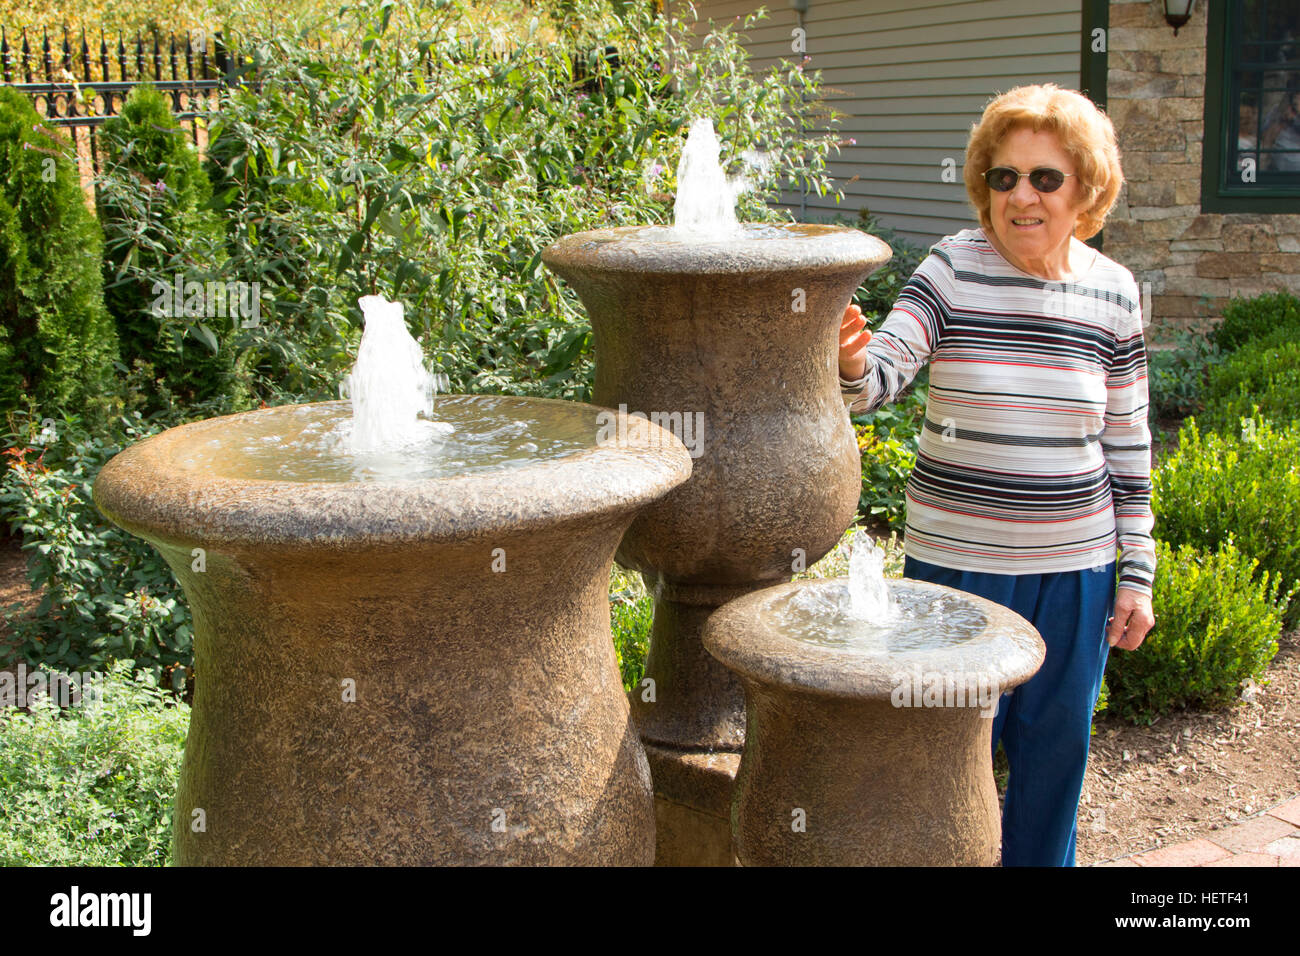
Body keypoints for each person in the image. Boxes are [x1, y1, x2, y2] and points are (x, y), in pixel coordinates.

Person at [837, 83, 1156, 867]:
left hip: (1072, 573)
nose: (1021, 196)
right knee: (944, 765)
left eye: (1044, 178)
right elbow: (882, 375)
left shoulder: (1113, 292)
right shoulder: (951, 269)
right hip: (955, 571)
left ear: (1084, 187)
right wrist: (849, 361)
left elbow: (1128, 443)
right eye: (1003, 177)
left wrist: (1136, 573)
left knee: (1054, 762)